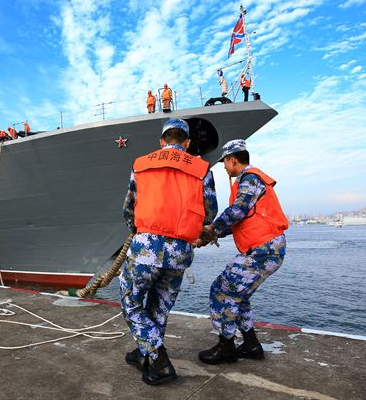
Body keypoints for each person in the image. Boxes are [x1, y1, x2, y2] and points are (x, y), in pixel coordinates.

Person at [121, 118, 217, 385]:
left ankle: (159, 357)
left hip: (145, 249)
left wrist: (136, 229)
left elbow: (129, 207)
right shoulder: (202, 169)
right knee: (160, 307)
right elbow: (210, 212)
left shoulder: (141, 165)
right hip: (179, 252)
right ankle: (145, 356)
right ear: (187, 142)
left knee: (130, 302)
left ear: (162, 141)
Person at [196, 139, 288, 365]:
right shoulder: (252, 180)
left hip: (262, 250)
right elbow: (240, 220)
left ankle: (226, 345)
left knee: (220, 290)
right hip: (265, 249)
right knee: (239, 295)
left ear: (232, 159)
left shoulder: (249, 179)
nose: (225, 168)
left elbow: (237, 211)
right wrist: (214, 235)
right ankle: (251, 344)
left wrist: (210, 231)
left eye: (225, 163)